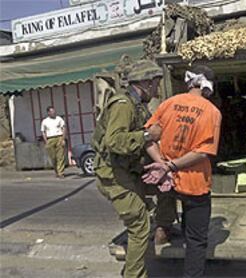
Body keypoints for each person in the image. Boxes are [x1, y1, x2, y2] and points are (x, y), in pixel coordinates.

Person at [143, 65, 222, 277]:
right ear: (207, 87)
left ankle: (163, 230)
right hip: (195, 184)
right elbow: (203, 153)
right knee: (196, 240)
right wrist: (171, 166)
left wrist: (162, 164)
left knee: (172, 210)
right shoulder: (212, 112)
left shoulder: (168, 104)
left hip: (168, 182)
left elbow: (148, 139)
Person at [92, 59, 165, 278]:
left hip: (126, 171)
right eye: (155, 83)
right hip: (112, 175)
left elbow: (144, 142)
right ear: (144, 83)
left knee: (150, 206)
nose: (157, 88)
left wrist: (162, 164)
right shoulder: (123, 105)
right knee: (140, 225)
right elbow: (114, 141)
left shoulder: (137, 106)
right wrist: (146, 135)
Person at [41, 106, 66, 178]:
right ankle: (56, 171)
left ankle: (61, 172)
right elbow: (43, 132)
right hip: (50, 139)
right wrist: (46, 141)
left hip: (59, 137)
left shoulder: (59, 119)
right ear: (48, 113)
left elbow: (64, 128)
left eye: (54, 111)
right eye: (51, 112)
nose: (53, 113)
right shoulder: (45, 121)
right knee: (53, 157)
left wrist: (63, 139)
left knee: (60, 156)